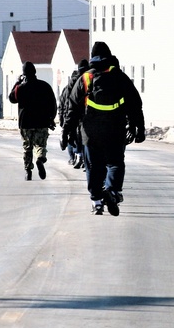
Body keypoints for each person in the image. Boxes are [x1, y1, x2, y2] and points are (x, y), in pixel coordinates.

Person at [62, 42, 145, 216]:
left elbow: (73, 108)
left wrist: (66, 131)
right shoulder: (119, 77)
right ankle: (112, 190)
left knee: (93, 166)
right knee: (115, 163)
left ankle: (97, 201)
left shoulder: (85, 78)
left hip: (91, 133)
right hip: (115, 130)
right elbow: (135, 104)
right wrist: (139, 127)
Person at [8, 61, 58, 181]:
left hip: (25, 123)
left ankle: (28, 171)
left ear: (24, 74)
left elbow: (11, 98)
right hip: (41, 122)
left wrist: (17, 82)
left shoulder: (20, 89)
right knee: (40, 145)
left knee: (27, 147)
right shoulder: (45, 86)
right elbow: (53, 104)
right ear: (35, 72)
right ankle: (40, 159)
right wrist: (51, 119)